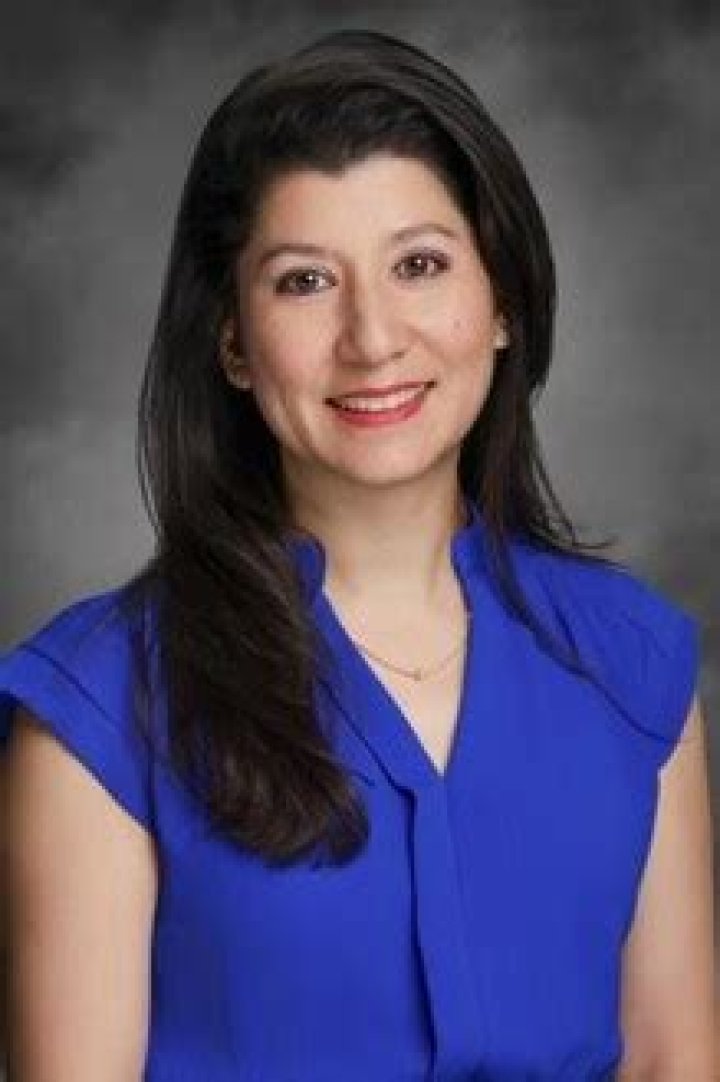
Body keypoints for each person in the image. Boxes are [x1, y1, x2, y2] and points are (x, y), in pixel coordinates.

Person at [0, 27, 716, 1081]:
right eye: (304, 282)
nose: (373, 338)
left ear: (503, 301)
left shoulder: (634, 664)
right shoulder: (100, 707)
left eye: (419, 265)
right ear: (233, 342)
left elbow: (674, 1061)